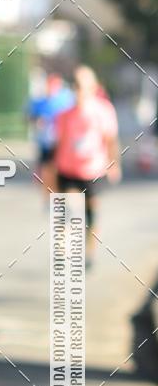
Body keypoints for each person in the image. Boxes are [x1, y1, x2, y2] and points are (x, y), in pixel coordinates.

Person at [53, 65, 121, 267]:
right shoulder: (64, 114)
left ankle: (89, 252)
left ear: (93, 87)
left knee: (91, 214)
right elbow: (59, 142)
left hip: (93, 171)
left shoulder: (103, 110)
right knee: (69, 209)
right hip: (68, 169)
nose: (78, 90)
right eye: (75, 86)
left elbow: (110, 140)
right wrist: (53, 168)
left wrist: (114, 164)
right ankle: (64, 250)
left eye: (82, 86)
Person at [28, 72, 74, 190]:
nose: (51, 88)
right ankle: (49, 199)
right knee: (47, 171)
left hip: (62, 142)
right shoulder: (39, 102)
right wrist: (37, 120)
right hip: (45, 142)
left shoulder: (66, 99)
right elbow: (29, 117)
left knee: (59, 172)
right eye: (49, 85)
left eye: (54, 85)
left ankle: (59, 201)